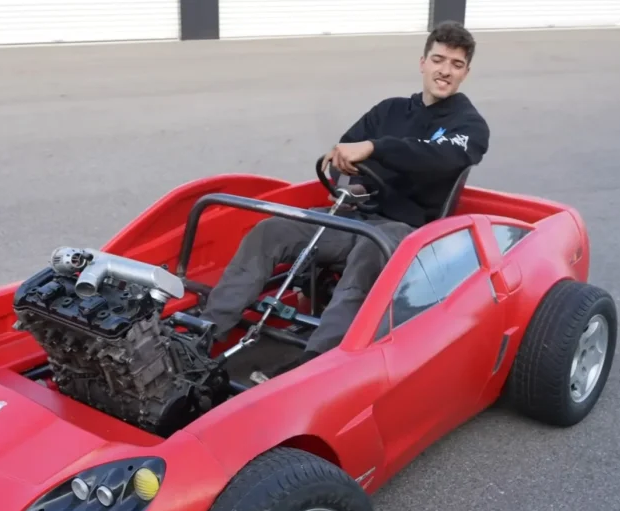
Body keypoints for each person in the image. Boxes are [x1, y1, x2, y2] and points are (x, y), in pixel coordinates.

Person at [199, 21, 490, 379]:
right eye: (439, 60)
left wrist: (375, 148)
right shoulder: (390, 111)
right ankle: (203, 336)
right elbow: (344, 153)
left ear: (466, 73)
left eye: (456, 65)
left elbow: (434, 156)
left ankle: (315, 366)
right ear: (423, 62)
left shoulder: (469, 126)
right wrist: (346, 181)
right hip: (355, 216)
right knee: (271, 231)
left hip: (408, 233)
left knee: (368, 254)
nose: (445, 71)